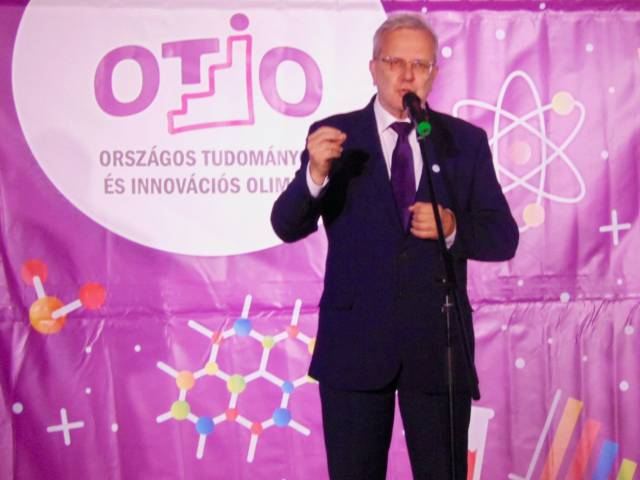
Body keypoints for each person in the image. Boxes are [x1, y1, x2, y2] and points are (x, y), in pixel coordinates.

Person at [271, 12, 518, 480]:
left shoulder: (463, 142)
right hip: (355, 347)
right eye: (395, 62)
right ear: (373, 68)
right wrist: (315, 175)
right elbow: (286, 225)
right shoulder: (337, 138)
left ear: (434, 74)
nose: (407, 75)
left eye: (420, 65)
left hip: (437, 348)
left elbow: (503, 236)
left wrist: (452, 226)